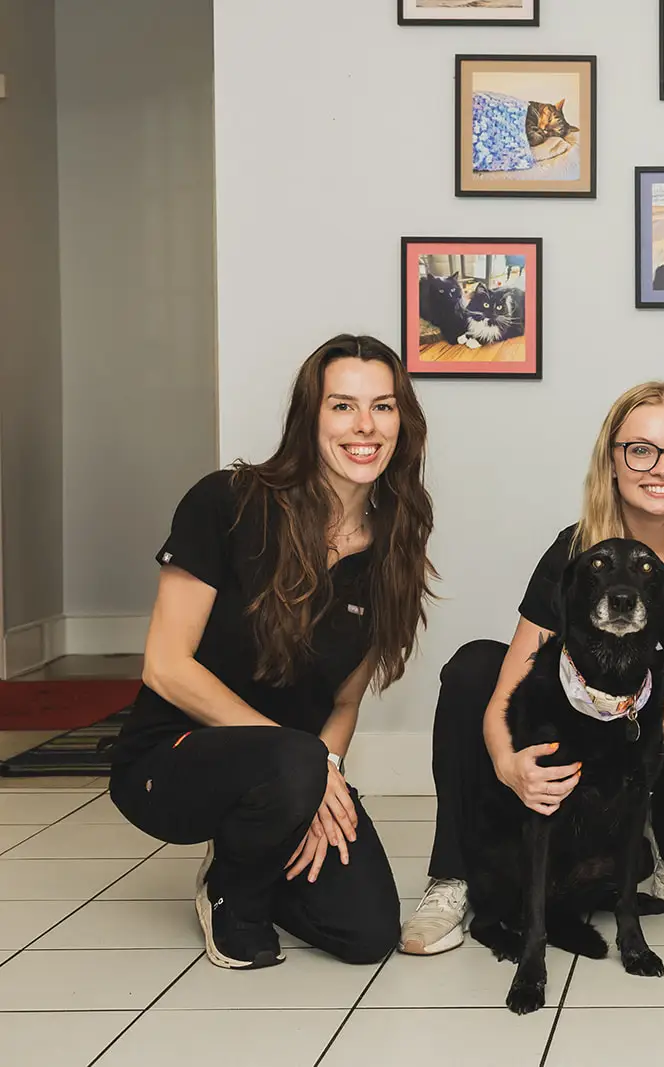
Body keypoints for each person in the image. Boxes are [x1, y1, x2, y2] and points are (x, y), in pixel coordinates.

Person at [401, 381, 664, 955]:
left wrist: (636, 729)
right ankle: (453, 876)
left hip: (657, 709)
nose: (662, 468)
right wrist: (508, 764)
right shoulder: (575, 550)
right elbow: (513, 683)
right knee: (475, 667)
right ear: (613, 460)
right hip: (578, 706)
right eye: (641, 449)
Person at [108, 335, 436, 970]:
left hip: (293, 769)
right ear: (309, 418)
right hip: (170, 761)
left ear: (404, 421)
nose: (365, 426)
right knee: (290, 758)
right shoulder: (227, 502)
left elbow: (344, 699)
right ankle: (231, 889)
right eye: (343, 406)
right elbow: (165, 666)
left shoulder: (394, 543)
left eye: (384, 406)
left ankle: (261, 839)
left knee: (365, 933)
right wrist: (307, 763)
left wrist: (327, 771)